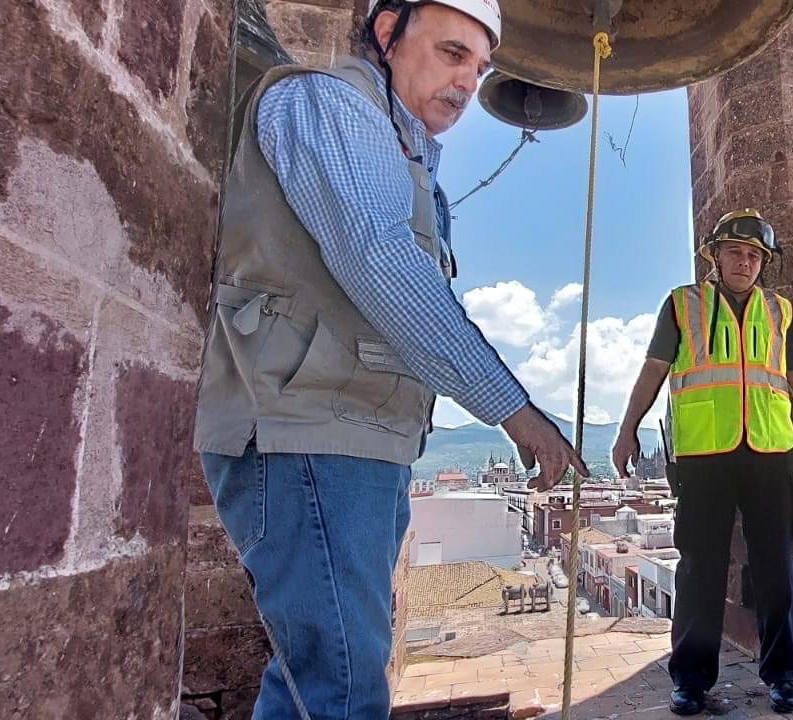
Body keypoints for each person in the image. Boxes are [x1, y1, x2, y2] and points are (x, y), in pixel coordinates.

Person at [192, 1, 586, 717]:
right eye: (450, 52)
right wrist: (515, 411)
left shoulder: (396, 146)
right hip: (305, 427)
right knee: (340, 686)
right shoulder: (328, 105)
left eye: (479, 65)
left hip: (344, 432)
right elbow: (379, 262)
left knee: (312, 680)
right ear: (386, 33)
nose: (467, 82)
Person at [611, 209, 793, 715]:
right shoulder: (682, 305)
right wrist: (627, 430)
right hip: (704, 456)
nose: (745, 261)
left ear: (763, 263)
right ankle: (690, 679)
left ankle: (783, 676)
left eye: (754, 255)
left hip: (771, 455)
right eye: (734, 251)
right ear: (714, 256)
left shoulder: (780, 311)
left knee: (777, 568)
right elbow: (653, 370)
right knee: (700, 570)